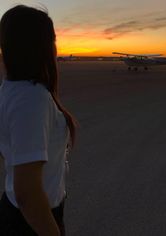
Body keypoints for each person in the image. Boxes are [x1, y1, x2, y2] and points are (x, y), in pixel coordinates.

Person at [0, 5, 77, 235]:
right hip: (32, 221)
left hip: (17, 212)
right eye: (53, 40)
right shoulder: (32, 98)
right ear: (42, 46)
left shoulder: (10, 90)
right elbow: (28, 193)